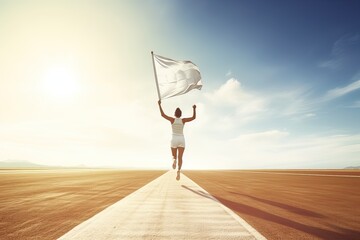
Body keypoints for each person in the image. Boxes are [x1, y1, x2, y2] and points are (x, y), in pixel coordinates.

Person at [158, 100, 196, 180]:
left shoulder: (172, 120)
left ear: (175, 114)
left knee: (174, 156)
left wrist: (159, 105)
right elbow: (193, 117)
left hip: (174, 138)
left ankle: (174, 160)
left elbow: (162, 114)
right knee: (180, 157)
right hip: (181, 139)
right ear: (181, 114)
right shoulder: (183, 120)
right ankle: (178, 170)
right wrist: (194, 108)